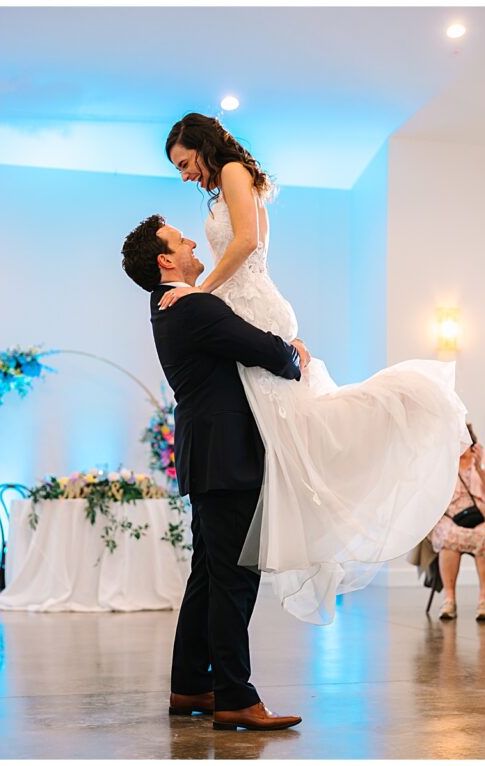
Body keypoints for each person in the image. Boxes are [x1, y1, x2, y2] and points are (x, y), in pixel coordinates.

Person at [156, 113, 469, 626]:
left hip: (251, 303)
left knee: (295, 431)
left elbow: (247, 243)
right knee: (285, 433)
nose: (185, 175)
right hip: (245, 305)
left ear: (204, 147)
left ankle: (393, 414)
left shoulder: (233, 169)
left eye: (186, 163)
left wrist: (199, 290)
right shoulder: (225, 184)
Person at [121, 214, 303, 731]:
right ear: (165, 260)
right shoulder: (193, 305)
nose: (192, 242)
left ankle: (191, 686)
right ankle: (235, 697)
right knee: (233, 579)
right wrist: (295, 355)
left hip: (209, 455)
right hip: (227, 458)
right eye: (181, 240)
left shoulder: (167, 307)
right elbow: (261, 348)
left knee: (208, 575)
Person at [429, 439, 485, 620]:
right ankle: (449, 600)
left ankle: (484, 600)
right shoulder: (443, 463)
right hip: (451, 517)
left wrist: (479, 467)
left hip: (483, 515)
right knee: (449, 536)